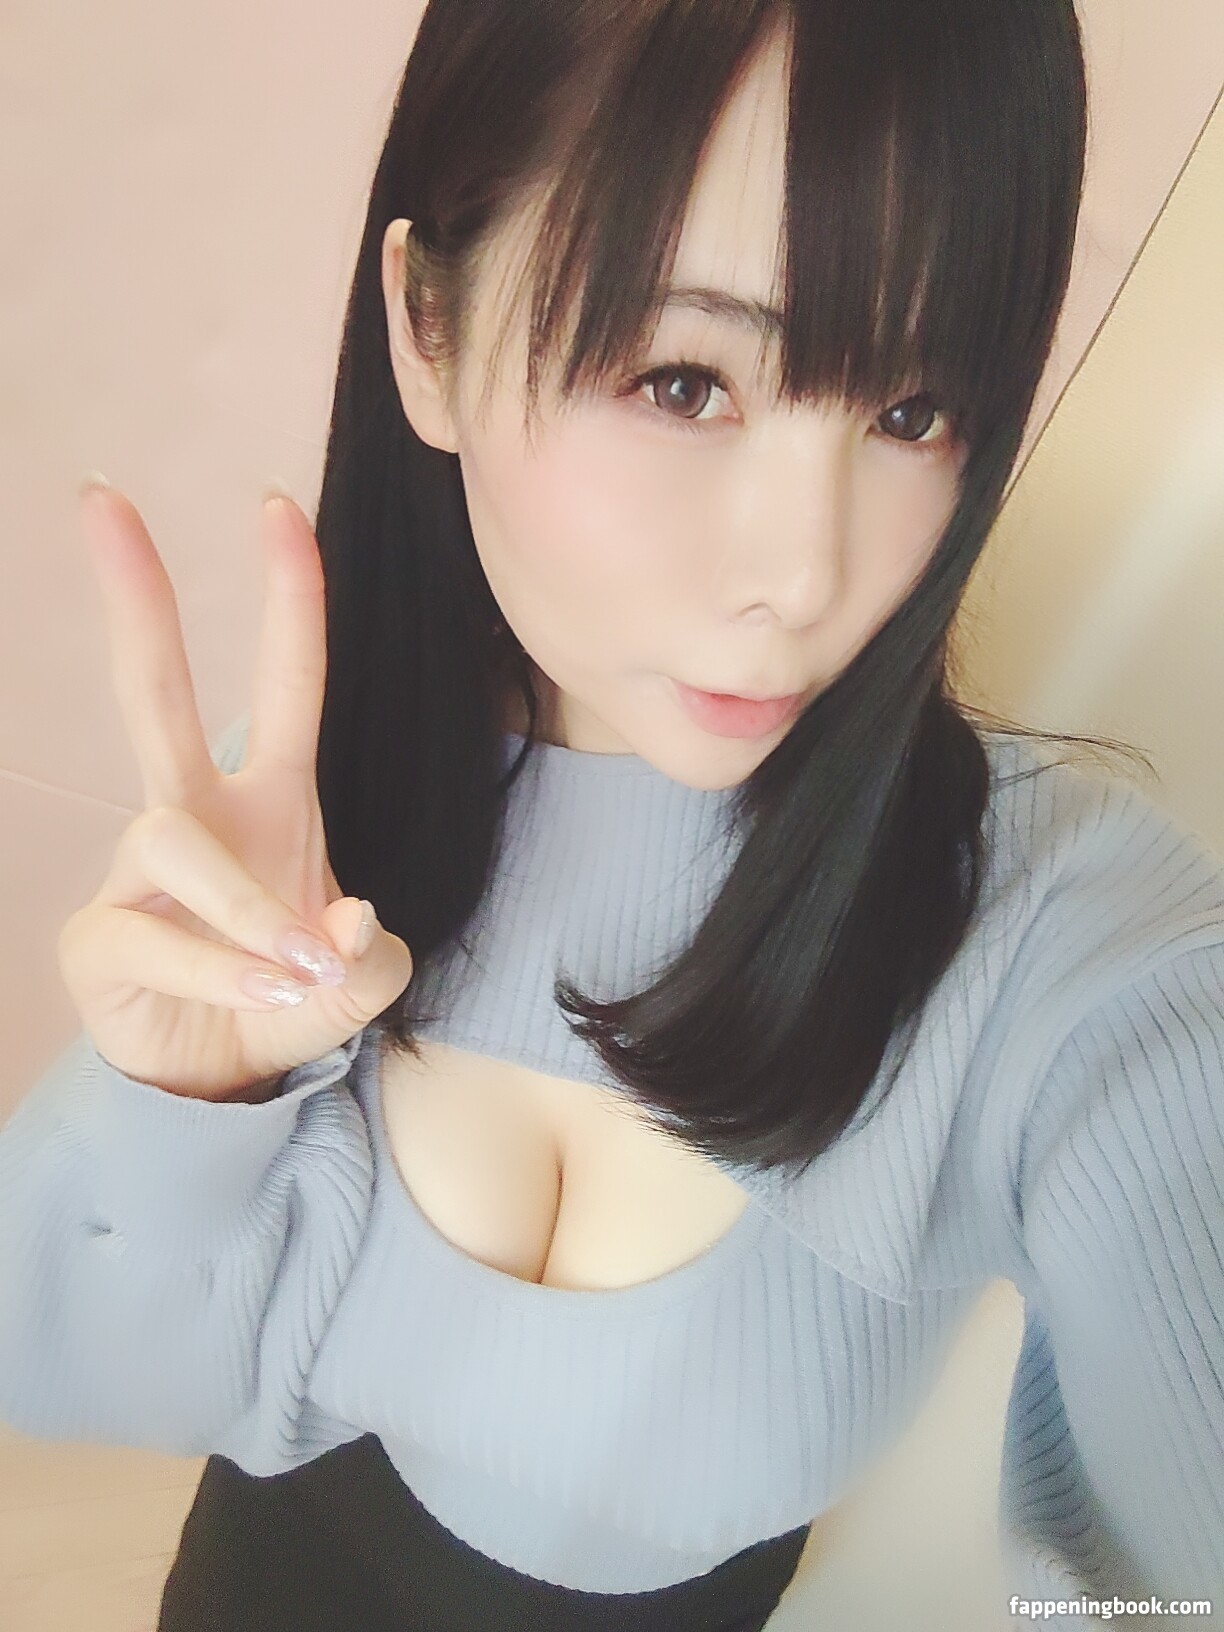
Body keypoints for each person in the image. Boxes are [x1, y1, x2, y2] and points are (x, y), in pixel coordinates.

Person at [2, 2, 1222, 1629]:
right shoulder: (316, 795)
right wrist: (183, 1110)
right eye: (682, 380)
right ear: (428, 330)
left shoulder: (1063, 942)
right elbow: (78, 1374)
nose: (807, 574)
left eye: (913, 411)